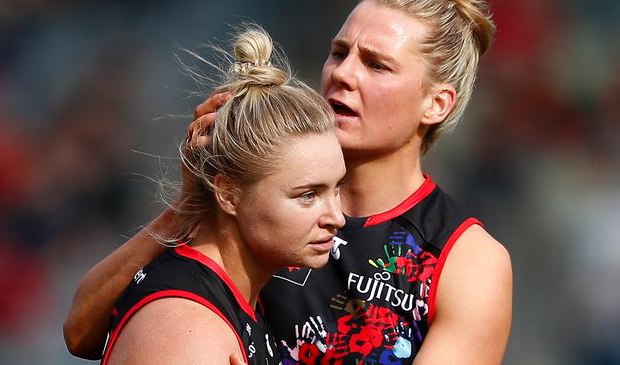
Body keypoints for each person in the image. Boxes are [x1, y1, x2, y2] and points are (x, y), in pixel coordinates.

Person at [64, 0, 513, 363]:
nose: (342, 74)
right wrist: (194, 201)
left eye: (377, 65)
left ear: (436, 103)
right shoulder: (258, 200)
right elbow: (83, 333)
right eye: (339, 52)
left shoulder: (464, 261)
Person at [93, 26, 346, 364]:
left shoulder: (242, 296)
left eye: (336, 188)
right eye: (307, 195)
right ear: (228, 193)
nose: (337, 217)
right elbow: (78, 333)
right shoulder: (187, 331)